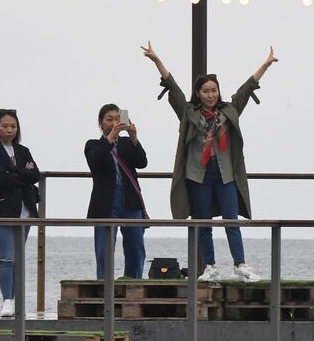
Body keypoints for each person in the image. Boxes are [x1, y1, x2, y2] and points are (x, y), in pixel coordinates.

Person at [140, 41, 277, 282]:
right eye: (205, 91)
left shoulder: (229, 111)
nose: (210, 95)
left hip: (225, 174)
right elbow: (173, 88)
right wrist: (156, 61)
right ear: (198, 94)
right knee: (203, 222)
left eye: (214, 90)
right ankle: (210, 266)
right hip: (197, 174)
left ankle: (240, 265)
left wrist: (265, 65)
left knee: (231, 220)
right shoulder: (189, 113)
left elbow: (246, 89)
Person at [0, 108, 40, 318]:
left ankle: (15, 299)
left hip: (25, 209)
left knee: (18, 258)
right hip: (2, 208)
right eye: (5, 126)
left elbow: (35, 175)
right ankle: (6, 300)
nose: (9, 130)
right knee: (7, 257)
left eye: (13, 126)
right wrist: (22, 172)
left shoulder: (23, 150)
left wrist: (16, 172)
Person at [84, 103, 149, 280]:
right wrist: (110, 137)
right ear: (100, 122)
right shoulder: (93, 145)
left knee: (136, 249)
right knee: (104, 251)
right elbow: (95, 161)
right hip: (106, 203)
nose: (113, 123)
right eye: (109, 119)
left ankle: (133, 284)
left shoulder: (127, 143)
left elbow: (142, 162)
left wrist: (134, 138)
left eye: (116, 119)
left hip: (130, 201)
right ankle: (104, 289)